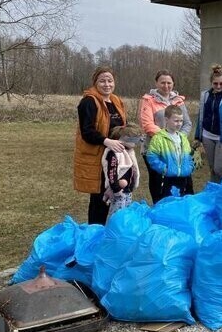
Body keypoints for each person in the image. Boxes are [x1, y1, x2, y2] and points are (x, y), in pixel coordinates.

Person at [74, 66, 127, 225]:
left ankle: (107, 234)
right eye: (102, 81)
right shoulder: (88, 102)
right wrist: (107, 141)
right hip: (97, 157)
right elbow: (87, 132)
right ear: (95, 82)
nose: (107, 84)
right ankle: (94, 233)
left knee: (115, 194)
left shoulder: (116, 100)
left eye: (110, 80)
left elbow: (122, 125)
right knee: (100, 199)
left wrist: (131, 137)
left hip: (115, 156)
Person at [139, 70, 192, 203]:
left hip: (178, 151)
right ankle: (159, 209)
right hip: (156, 149)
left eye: (169, 82)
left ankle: (180, 211)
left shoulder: (179, 101)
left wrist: (178, 138)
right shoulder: (148, 100)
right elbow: (147, 124)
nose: (166, 85)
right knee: (159, 184)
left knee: (182, 183)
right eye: (162, 82)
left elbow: (187, 123)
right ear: (156, 83)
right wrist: (167, 137)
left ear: (173, 83)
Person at [194, 64, 222, 183]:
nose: (218, 86)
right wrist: (198, 136)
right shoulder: (205, 95)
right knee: (212, 168)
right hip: (207, 136)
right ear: (211, 83)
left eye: (221, 83)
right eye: (215, 83)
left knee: (219, 168)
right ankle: (214, 192)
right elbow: (201, 116)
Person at [146, 105, 195, 199]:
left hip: (184, 176)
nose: (179, 124)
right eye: (176, 121)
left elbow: (188, 155)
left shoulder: (183, 138)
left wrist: (190, 167)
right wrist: (164, 169)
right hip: (168, 178)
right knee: (169, 201)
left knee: (185, 200)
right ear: (166, 120)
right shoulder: (159, 138)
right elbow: (151, 157)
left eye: (181, 121)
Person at [101, 123, 143, 219]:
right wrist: (116, 189)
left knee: (125, 214)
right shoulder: (114, 154)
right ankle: (113, 231)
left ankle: (122, 231)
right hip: (118, 191)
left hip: (127, 190)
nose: (136, 143)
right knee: (116, 215)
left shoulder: (129, 152)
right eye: (134, 139)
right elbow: (112, 173)